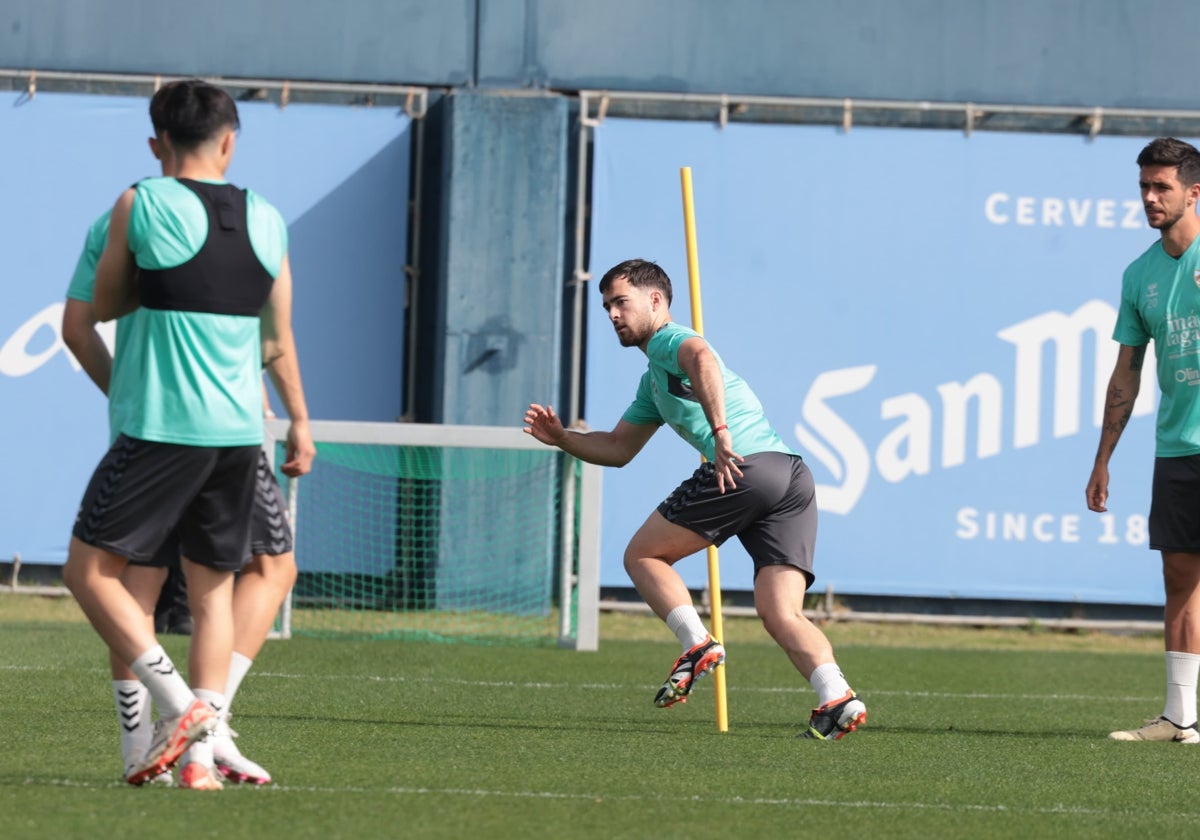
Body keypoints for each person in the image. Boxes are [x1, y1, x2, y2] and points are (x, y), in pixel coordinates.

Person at [61, 78, 314, 790]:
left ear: (156, 144)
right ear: (230, 141)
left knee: (112, 583)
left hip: (158, 426)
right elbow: (278, 339)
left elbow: (87, 321)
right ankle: (196, 746)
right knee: (214, 593)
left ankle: (176, 727)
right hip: (238, 428)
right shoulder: (266, 217)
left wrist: (127, 394)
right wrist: (298, 418)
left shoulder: (134, 207)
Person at [524, 258, 866, 739]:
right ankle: (838, 696)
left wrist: (721, 434)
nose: (613, 315)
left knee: (642, 555)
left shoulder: (668, 339)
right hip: (791, 476)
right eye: (606, 307)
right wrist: (563, 438)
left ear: (655, 300)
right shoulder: (653, 383)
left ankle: (697, 643)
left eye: (621, 302)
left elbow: (702, 357)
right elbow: (619, 449)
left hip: (742, 467)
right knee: (779, 611)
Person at [1087, 137, 1200, 744]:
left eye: (1162, 187)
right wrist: (1103, 458)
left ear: (1194, 191)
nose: (1151, 198)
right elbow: (1126, 374)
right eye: (1145, 189)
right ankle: (1181, 718)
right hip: (1179, 447)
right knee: (1180, 579)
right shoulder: (1140, 274)